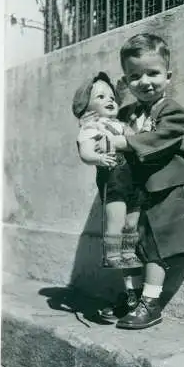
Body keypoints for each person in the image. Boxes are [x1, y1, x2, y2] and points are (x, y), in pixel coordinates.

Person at [97, 34, 184, 330]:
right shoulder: (126, 113)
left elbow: (162, 137)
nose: (145, 81)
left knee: (156, 246)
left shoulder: (172, 111)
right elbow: (108, 131)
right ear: (126, 81)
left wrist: (124, 142)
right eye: (135, 76)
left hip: (161, 192)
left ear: (167, 76)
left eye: (152, 73)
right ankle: (132, 297)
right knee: (129, 245)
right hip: (134, 193)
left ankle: (150, 302)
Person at [72, 72, 143, 278]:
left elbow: (136, 141)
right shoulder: (91, 127)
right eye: (100, 97)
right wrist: (99, 159)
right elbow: (85, 152)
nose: (109, 100)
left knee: (132, 222)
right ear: (87, 108)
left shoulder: (123, 125)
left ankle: (129, 253)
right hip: (114, 177)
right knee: (117, 219)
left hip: (134, 178)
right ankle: (112, 255)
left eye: (111, 96)